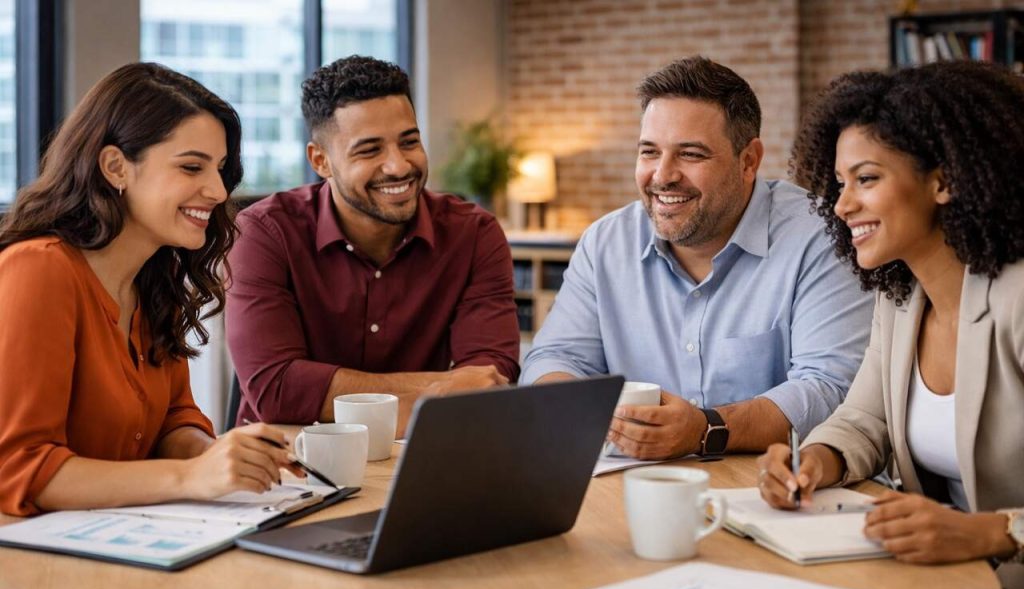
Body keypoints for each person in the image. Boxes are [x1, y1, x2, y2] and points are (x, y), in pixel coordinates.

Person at [757, 60, 1024, 589]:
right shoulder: (902, 293)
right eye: (839, 183)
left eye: (866, 179)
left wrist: (989, 534)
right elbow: (864, 417)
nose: (842, 204)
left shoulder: (1017, 300)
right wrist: (813, 462)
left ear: (946, 180)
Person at [520, 56, 872, 459]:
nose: (662, 175)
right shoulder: (604, 243)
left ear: (749, 161)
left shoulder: (818, 235)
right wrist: (569, 405)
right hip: (633, 482)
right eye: (649, 152)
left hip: (771, 492)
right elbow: (555, 356)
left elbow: (831, 387)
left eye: (690, 154)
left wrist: (707, 429)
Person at [0, 63, 297, 517]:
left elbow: (173, 421)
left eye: (219, 169)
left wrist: (222, 456)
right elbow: (19, 467)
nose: (218, 190)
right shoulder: (38, 271)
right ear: (116, 167)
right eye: (191, 166)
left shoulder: (154, 280)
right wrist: (191, 477)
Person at [226, 56, 520, 431]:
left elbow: (487, 379)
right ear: (321, 161)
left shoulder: (474, 234)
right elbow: (277, 390)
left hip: (422, 457)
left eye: (409, 141)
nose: (398, 166)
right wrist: (441, 387)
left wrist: (327, 391)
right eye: (370, 150)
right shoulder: (265, 233)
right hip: (289, 466)